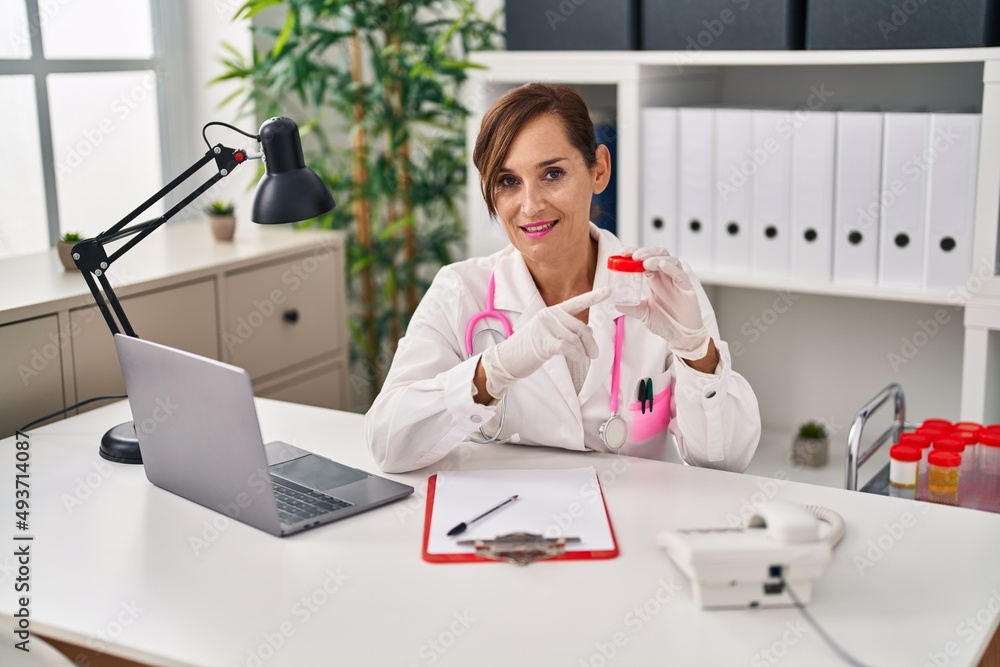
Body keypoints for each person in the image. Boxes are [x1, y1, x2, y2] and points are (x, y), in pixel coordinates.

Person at [365, 83, 760, 473]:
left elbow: (725, 462)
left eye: (552, 174)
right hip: (505, 521)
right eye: (507, 181)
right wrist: (495, 369)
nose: (531, 205)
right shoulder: (460, 291)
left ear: (599, 170)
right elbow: (388, 443)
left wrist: (697, 353)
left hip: (634, 521)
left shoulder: (663, 288)